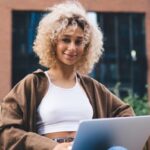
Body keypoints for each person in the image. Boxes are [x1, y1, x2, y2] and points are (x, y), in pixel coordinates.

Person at [0, 1, 135, 150]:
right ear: (52, 42)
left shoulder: (92, 87)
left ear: (86, 46)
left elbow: (126, 114)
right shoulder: (32, 84)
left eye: (79, 42)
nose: (72, 48)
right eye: (66, 40)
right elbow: (7, 131)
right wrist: (52, 147)